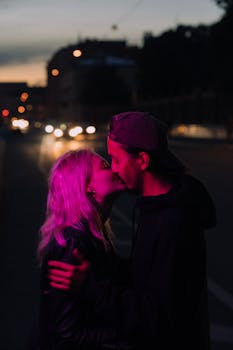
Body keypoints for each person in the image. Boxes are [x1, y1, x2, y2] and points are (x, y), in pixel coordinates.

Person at [48, 111, 217, 350]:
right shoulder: (154, 208)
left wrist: (91, 288)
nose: (113, 169)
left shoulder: (174, 222)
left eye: (115, 160)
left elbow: (160, 317)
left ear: (143, 161)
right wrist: (104, 265)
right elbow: (147, 277)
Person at [37, 148, 132, 350]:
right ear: (87, 186)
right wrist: (128, 334)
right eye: (105, 166)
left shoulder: (93, 236)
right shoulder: (73, 245)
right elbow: (67, 332)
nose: (115, 168)